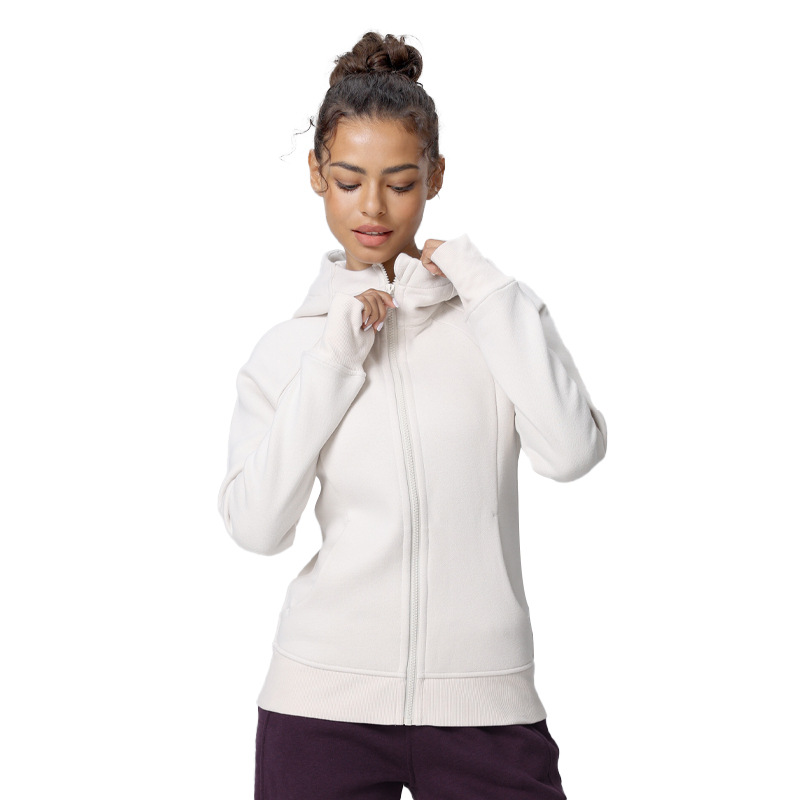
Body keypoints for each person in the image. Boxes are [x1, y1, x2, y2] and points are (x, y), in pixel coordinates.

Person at [218, 30, 607, 800]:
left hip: (485, 707)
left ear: (435, 176)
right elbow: (257, 528)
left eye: (399, 182)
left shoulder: (498, 318)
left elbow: (571, 452)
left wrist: (482, 284)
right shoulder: (290, 350)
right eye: (348, 180)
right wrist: (334, 362)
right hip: (319, 706)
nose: (372, 206)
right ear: (315, 174)